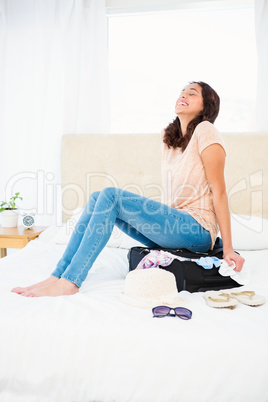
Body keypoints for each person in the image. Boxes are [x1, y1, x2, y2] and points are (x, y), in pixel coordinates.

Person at [12, 81, 245, 297]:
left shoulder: (206, 130)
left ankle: (71, 281)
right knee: (97, 198)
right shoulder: (170, 140)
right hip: (175, 231)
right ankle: (58, 275)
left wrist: (229, 249)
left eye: (192, 93)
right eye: (182, 91)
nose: (183, 95)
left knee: (111, 196)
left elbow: (219, 191)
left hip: (197, 229)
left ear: (207, 106)